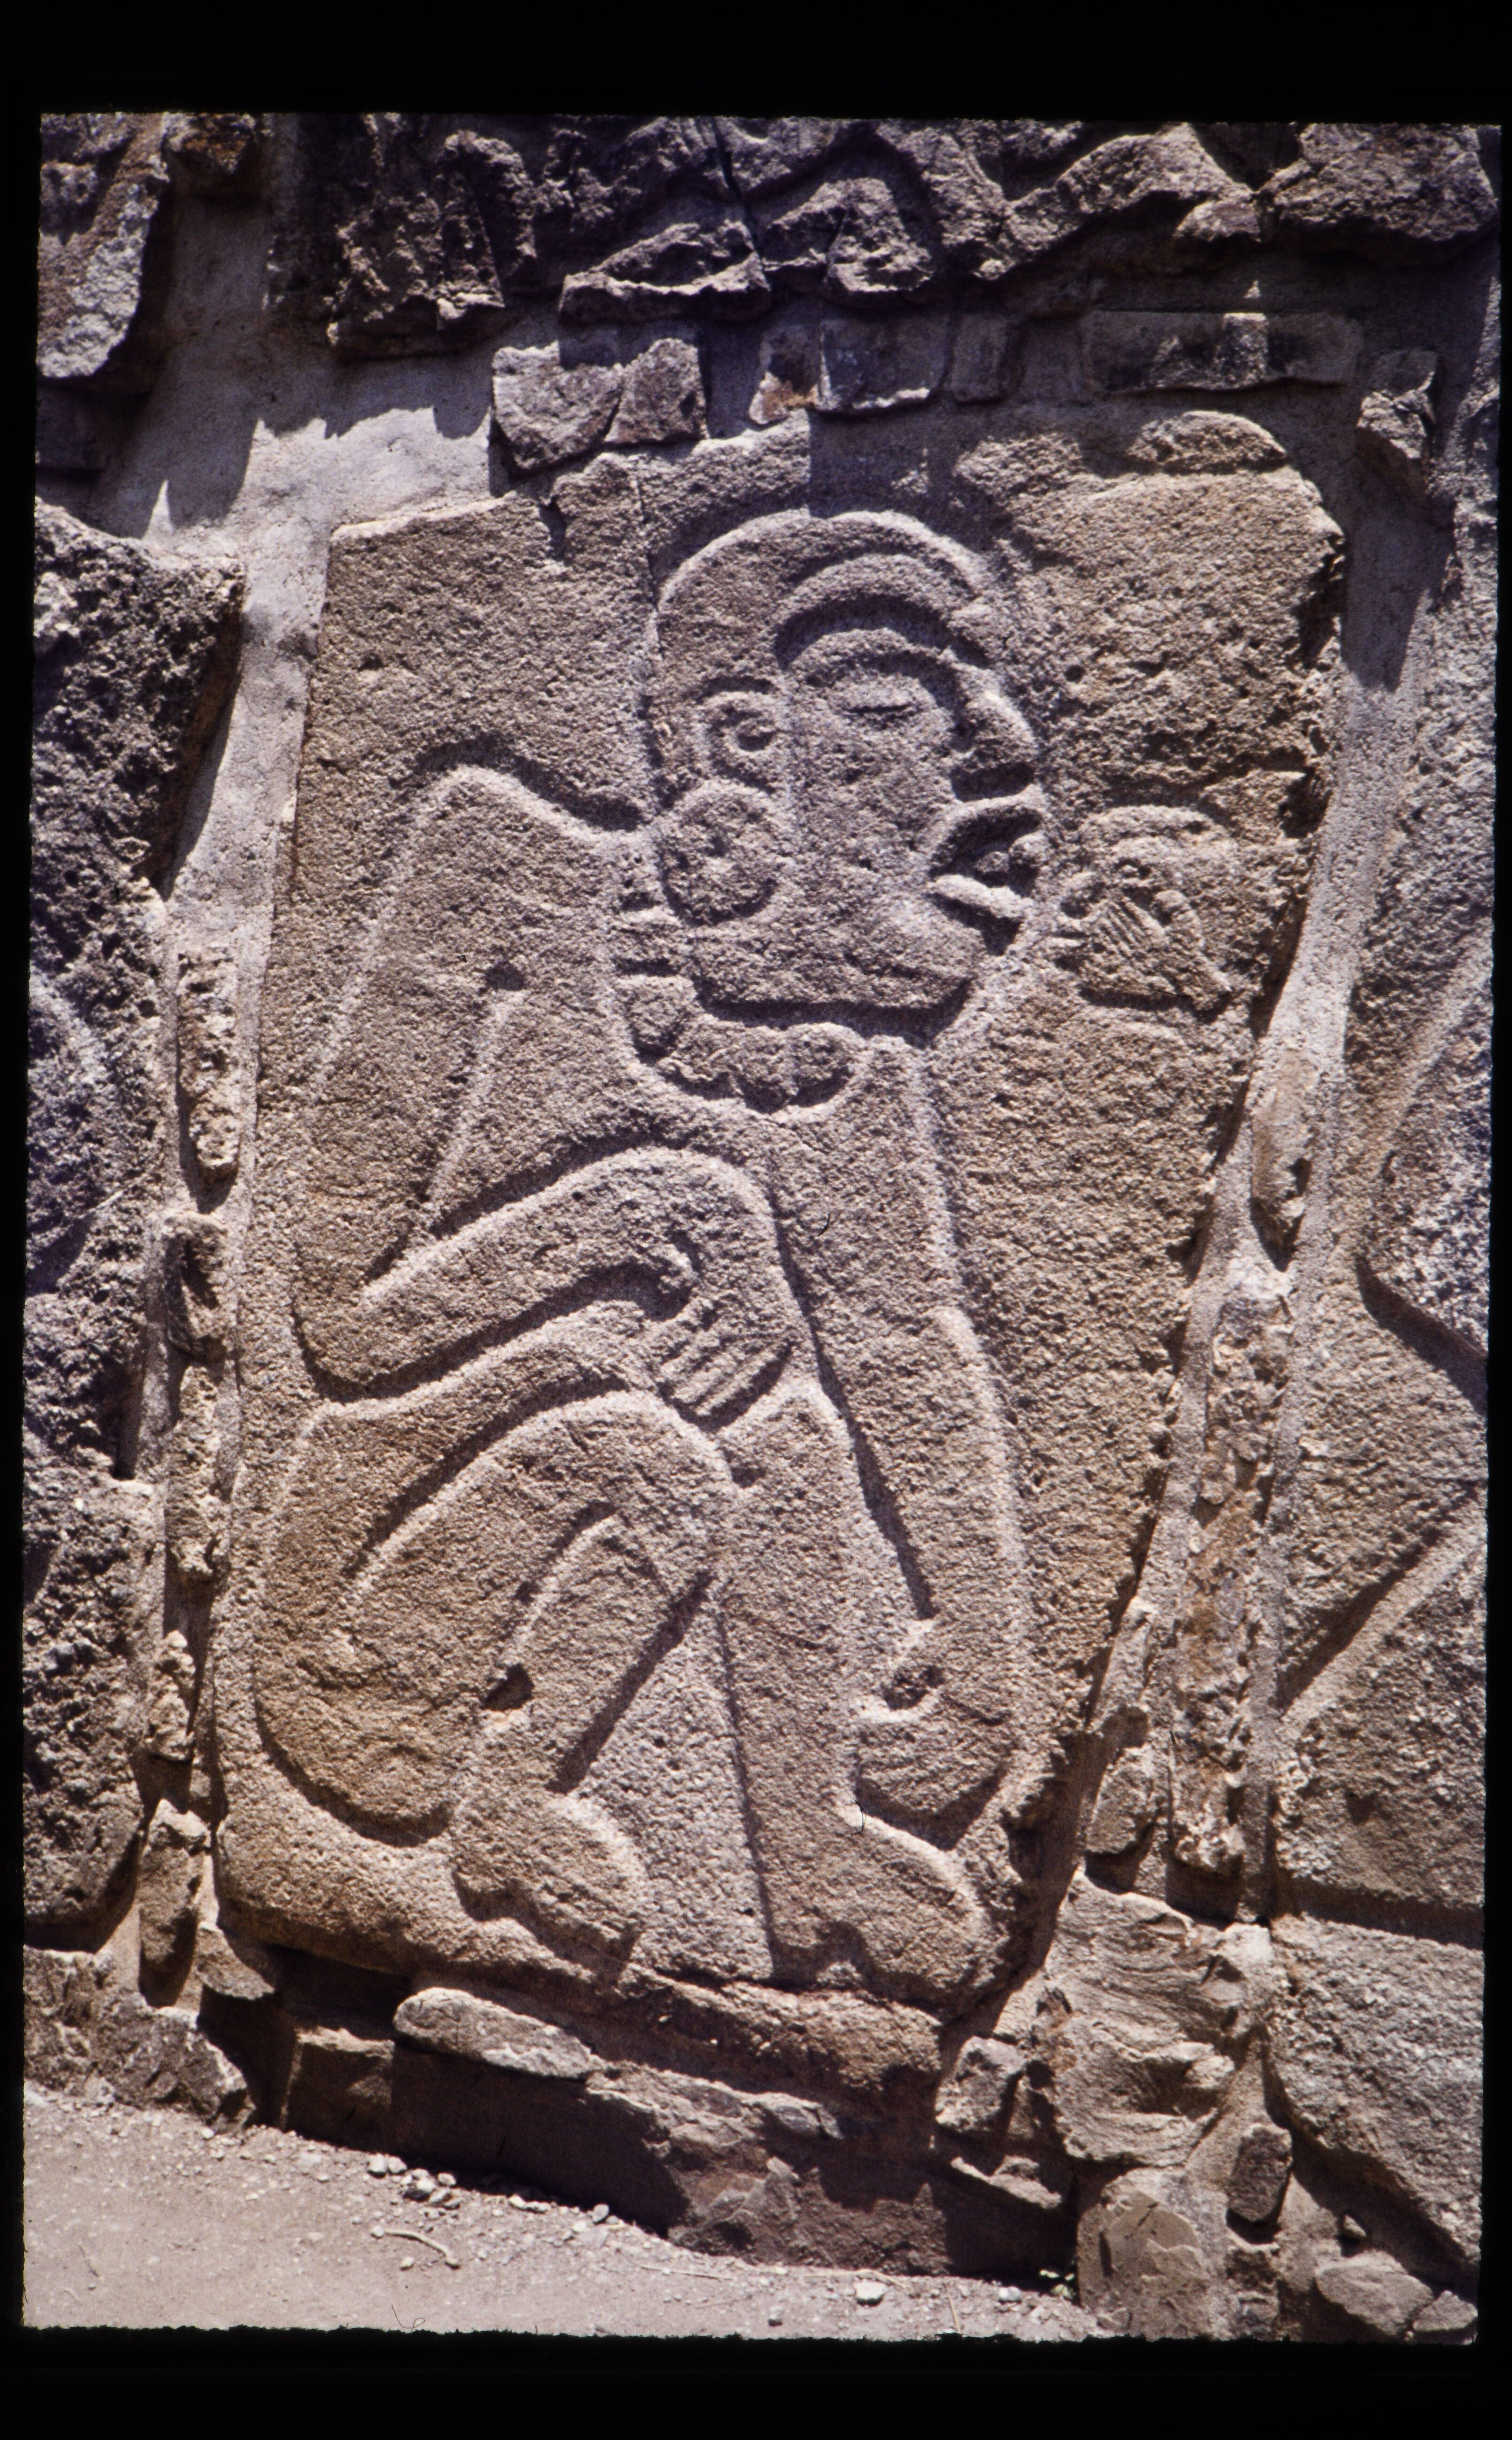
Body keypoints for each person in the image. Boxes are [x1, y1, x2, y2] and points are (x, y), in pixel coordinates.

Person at [256, 511, 1046, 2009]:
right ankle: (506, 1793)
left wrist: (979, 1647)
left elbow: (900, 1339)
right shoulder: (498, 872)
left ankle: (805, 1855)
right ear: (746, 740)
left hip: (590, 1498)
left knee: (788, 1432)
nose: (989, 758)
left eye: (973, 718)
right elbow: (342, 1325)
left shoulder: (836, 1056)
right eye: (895, 712)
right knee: (668, 1452)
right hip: (375, 1619)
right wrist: (634, 1213)